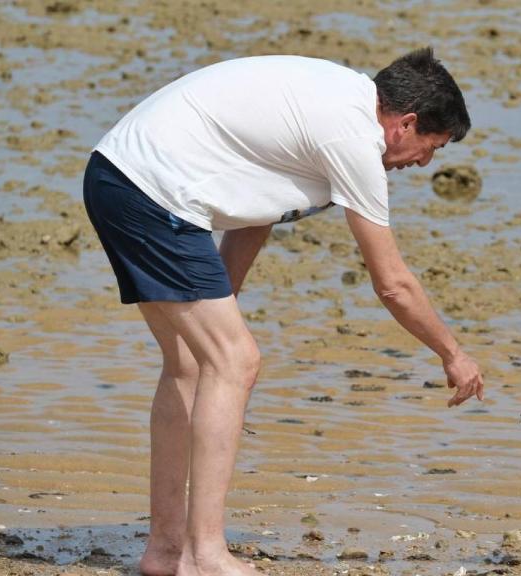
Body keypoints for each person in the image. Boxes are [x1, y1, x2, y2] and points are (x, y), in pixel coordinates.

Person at [82, 47, 485, 576]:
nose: (423, 163)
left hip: (117, 177)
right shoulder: (353, 138)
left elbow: (256, 210)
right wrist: (453, 354)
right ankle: (206, 556)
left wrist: (223, 298)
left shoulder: (338, 105)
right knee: (235, 362)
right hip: (154, 193)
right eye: (430, 148)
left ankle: (166, 551)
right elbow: (393, 285)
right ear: (405, 123)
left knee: (192, 363)